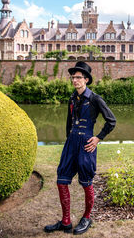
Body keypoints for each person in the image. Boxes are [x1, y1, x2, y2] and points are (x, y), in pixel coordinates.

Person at [44, 61, 116, 235]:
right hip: (71, 144)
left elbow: (111, 121)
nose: (74, 80)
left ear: (86, 79)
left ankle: (86, 217)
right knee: (61, 180)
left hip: (86, 144)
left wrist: (98, 138)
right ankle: (66, 222)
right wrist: (69, 139)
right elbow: (69, 122)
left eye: (78, 77)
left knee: (86, 182)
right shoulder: (71, 98)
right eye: (73, 77)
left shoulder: (95, 99)